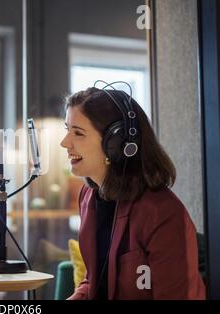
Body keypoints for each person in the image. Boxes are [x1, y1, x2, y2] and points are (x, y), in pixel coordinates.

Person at [60, 84, 206, 300]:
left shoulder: (162, 212)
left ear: (116, 143)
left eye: (78, 133)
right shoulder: (89, 197)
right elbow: (96, 279)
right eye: (67, 130)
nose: (65, 143)